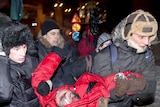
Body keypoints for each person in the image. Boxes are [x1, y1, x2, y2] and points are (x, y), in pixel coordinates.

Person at [32, 49, 146, 107]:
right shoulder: (48, 99)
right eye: (69, 96)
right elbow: (39, 79)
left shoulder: (87, 94)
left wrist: (133, 79)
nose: (68, 98)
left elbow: (108, 83)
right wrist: (56, 55)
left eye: (69, 96)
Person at [93, 9, 158, 107]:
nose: (147, 42)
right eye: (141, 37)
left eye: (150, 37)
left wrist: (142, 87)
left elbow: (151, 88)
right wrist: (117, 93)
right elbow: (97, 93)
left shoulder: (147, 56)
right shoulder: (105, 56)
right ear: (127, 33)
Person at [0, 22, 40, 106]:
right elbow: (5, 95)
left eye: (24, 47)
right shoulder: (3, 69)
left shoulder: (32, 61)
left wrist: (46, 84)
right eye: (16, 49)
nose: (23, 53)